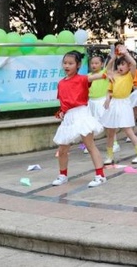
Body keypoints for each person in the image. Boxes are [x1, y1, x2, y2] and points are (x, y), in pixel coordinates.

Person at [52, 50, 107, 188]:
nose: (67, 66)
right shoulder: (61, 83)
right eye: (65, 63)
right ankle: (63, 175)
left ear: (78, 65)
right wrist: (61, 112)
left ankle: (100, 175)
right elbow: (63, 102)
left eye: (70, 63)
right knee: (63, 149)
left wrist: (108, 74)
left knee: (90, 145)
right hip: (69, 117)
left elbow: (97, 76)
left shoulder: (82, 79)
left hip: (82, 114)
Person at [100, 45, 137, 165]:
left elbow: (134, 64)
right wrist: (114, 56)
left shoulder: (130, 76)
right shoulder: (113, 75)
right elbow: (108, 70)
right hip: (114, 104)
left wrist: (125, 53)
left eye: (123, 64)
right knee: (110, 132)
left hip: (124, 103)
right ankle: (109, 156)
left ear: (128, 66)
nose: (120, 66)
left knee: (128, 130)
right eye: (119, 64)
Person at [86, 54, 119, 155]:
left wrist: (113, 57)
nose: (94, 65)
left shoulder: (104, 73)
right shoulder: (88, 76)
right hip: (91, 102)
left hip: (102, 101)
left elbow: (109, 65)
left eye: (96, 63)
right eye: (92, 63)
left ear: (101, 64)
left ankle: (115, 143)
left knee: (108, 124)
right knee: (90, 125)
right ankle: (90, 145)